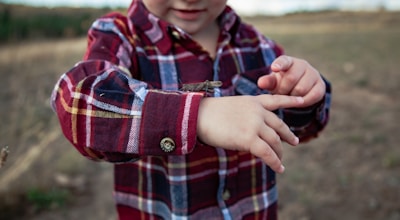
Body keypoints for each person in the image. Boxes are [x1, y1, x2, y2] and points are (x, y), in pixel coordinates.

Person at [51, 0, 331, 219]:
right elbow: (79, 102)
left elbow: (300, 129)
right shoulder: (121, 36)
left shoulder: (258, 44)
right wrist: (199, 116)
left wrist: (300, 97)